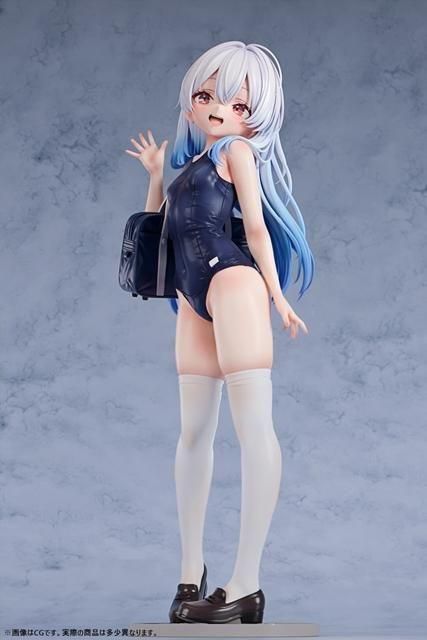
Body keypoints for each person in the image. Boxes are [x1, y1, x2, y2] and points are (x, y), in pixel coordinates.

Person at [125, 40, 315, 624]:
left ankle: (246, 583)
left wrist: (277, 296)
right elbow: (160, 231)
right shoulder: (192, 168)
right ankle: (191, 573)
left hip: (233, 284)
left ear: (253, 115)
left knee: (253, 428)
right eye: (207, 96)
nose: (218, 109)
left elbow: (255, 228)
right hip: (192, 298)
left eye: (236, 103)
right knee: (192, 432)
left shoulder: (237, 151)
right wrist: (155, 176)